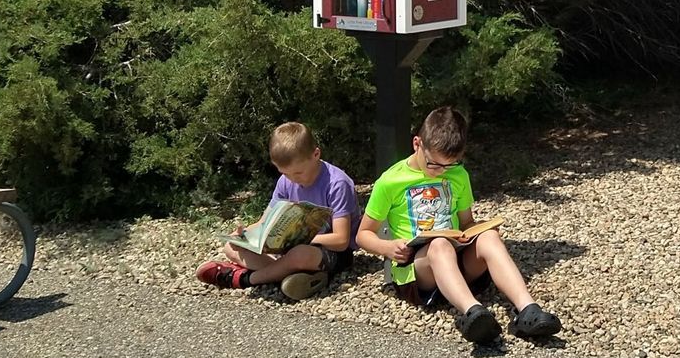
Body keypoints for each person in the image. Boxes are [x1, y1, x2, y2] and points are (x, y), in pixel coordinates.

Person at [354, 105, 561, 344]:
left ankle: (527, 309)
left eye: (449, 165)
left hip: (456, 259)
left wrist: (477, 231)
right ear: (417, 144)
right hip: (417, 271)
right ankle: (473, 312)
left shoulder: (459, 175)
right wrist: (388, 248)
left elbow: (466, 223)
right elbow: (363, 235)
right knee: (440, 244)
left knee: (489, 238)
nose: (441, 171)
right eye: (433, 164)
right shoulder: (390, 181)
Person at [197, 121, 357, 300]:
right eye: (285, 173)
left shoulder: (337, 184)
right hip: (289, 251)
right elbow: (265, 222)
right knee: (230, 246)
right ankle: (288, 274)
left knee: (299, 254)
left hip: (332, 253)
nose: (292, 179)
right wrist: (245, 234)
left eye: (298, 173)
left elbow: (341, 240)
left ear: (316, 154)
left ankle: (244, 279)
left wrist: (300, 240)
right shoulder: (285, 181)